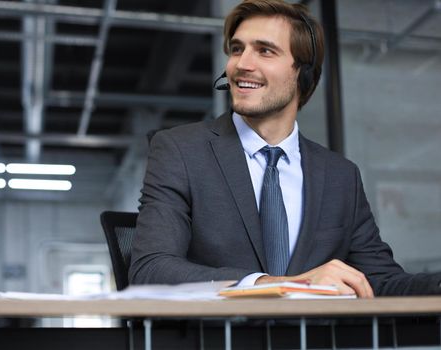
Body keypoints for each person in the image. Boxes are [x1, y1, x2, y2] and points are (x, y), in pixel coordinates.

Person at [129, 0, 441, 297]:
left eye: (265, 51)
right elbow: (151, 269)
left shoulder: (340, 176)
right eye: (237, 49)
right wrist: (284, 284)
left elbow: (380, 281)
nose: (241, 64)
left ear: (302, 74)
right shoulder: (180, 151)